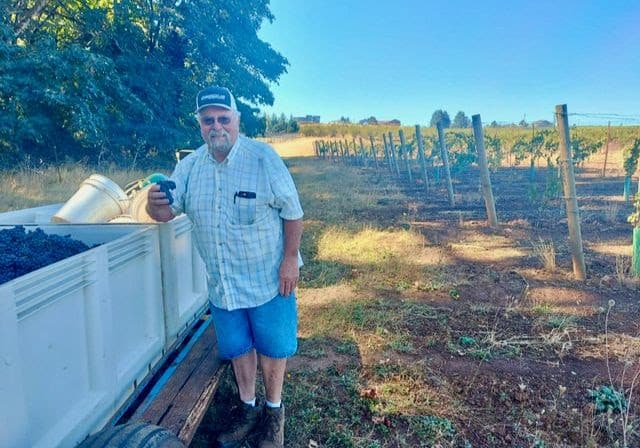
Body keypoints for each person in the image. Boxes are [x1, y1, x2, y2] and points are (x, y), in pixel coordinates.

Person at [147, 86, 303, 448]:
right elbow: (164, 213)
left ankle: (274, 414)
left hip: (269, 279)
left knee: (273, 348)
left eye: (223, 119)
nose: (216, 126)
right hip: (223, 284)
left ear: (237, 120)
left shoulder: (264, 159)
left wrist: (289, 260)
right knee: (237, 348)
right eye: (208, 120)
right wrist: (153, 203)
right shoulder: (188, 167)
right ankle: (247, 410)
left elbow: (293, 213)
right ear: (200, 125)